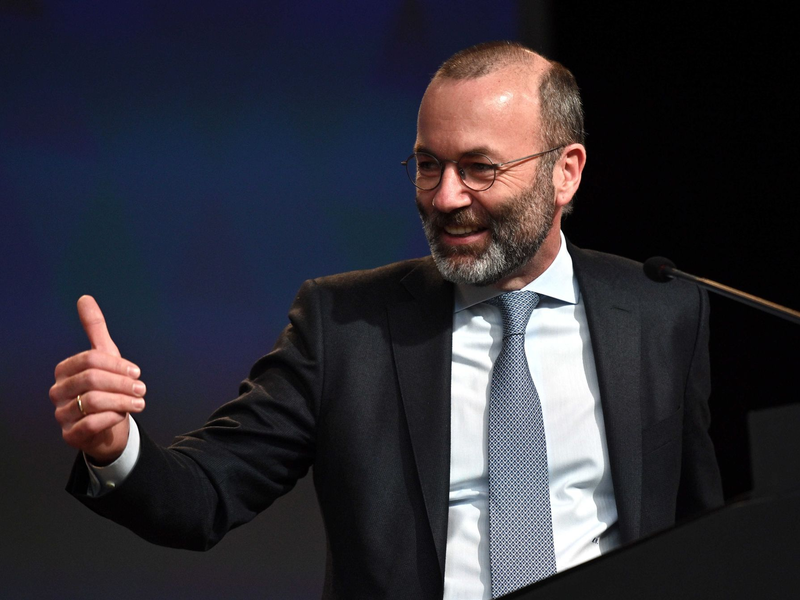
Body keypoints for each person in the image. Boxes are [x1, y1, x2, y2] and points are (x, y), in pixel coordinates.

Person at [49, 41, 723, 600]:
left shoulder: (661, 312)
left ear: (565, 172)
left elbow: (702, 532)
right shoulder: (346, 326)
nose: (445, 197)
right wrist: (116, 449)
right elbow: (204, 496)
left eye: (479, 168)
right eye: (429, 165)